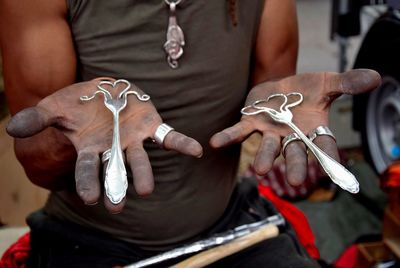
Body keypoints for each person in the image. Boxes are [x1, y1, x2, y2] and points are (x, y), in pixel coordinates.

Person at [0, 0, 380, 267]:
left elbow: (270, 94)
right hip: (88, 239)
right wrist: (86, 131)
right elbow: (38, 164)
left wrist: (275, 109)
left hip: (229, 227)